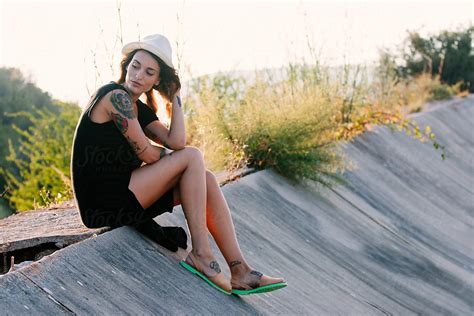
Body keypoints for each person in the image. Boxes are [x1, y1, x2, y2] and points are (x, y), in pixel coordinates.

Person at [71, 34, 286, 295]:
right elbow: (150, 155)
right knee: (193, 158)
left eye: (149, 72)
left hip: (124, 194)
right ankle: (202, 254)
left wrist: (176, 98)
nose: (138, 74)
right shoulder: (114, 96)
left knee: (204, 178)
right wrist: (178, 162)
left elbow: (176, 141)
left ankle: (240, 270)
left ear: (156, 81)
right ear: (126, 65)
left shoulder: (140, 108)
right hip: (102, 202)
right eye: (135, 65)